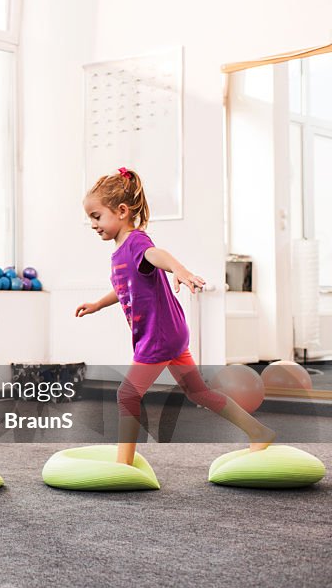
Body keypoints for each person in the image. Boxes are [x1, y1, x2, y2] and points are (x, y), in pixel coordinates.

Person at [76, 167, 275, 464]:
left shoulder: (136, 241)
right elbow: (123, 288)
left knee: (126, 394)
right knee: (199, 393)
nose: (92, 224)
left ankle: (123, 463)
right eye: (90, 217)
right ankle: (258, 432)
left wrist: (180, 270)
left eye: (96, 216)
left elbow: (158, 255)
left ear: (121, 211)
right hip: (170, 332)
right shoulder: (120, 250)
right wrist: (98, 304)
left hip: (159, 336)